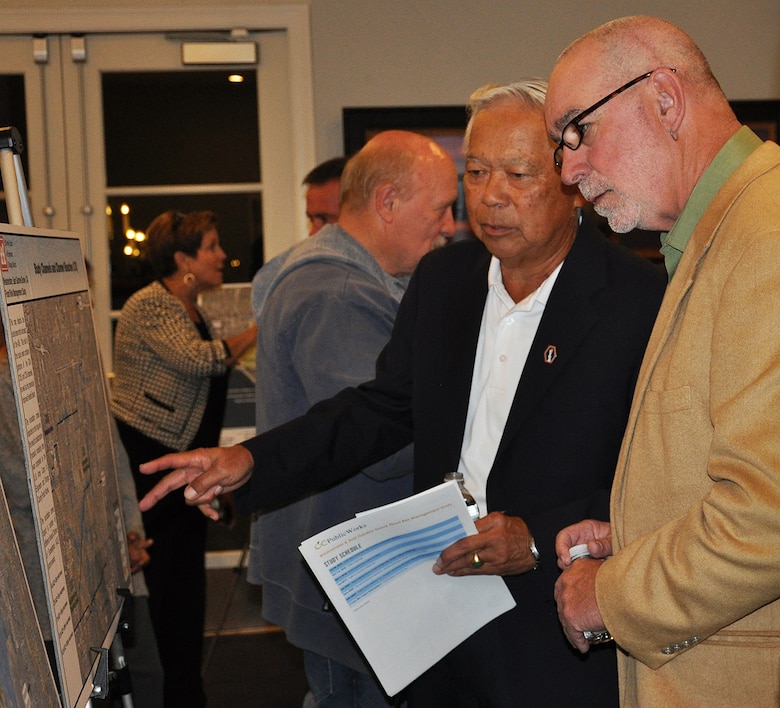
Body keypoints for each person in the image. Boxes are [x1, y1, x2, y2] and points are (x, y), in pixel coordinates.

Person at [137, 80, 666, 706]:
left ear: (572, 182)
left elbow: (662, 475)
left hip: (560, 624)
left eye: (518, 174)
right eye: (475, 171)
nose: (490, 197)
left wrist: (533, 536)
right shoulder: (445, 280)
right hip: (439, 616)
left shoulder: (639, 301)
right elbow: (381, 409)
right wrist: (250, 461)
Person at [544, 15, 780, 706]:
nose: (568, 170)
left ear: (666, 101)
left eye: (576, 132)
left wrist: (610, 595)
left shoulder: (764, 239)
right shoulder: (718, 236)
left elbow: (766, 516)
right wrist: (640, 530)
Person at [249, 130, 457, 707]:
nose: (449, 227)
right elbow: (381, 445)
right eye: (440, 209)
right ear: (387, 202)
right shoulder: (335, 291)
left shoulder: (352, 276)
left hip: (356, 567)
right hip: (352, 577)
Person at [111, 209, 257, 707]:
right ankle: (171, 693)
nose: (222, 255)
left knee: (185, 591)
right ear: (183, 260)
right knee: (169, 589)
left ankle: (185, 691)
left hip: (179, 463)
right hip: (152, 461)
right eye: (212, 246)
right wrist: (261, 327)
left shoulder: (191, 305)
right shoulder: (154, 305)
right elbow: (202, 359)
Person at [0, 319, 163, 706]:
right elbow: (24, 490)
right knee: (77, 690)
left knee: (144, 677)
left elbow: (112, 455)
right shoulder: (10, 384)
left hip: (112, 567)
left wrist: (130, 533)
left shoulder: (78, 367)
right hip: (51, 582)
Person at [251, 156, 347, 322]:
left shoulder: (396, 271)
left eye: (324, 219)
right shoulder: (279, 274)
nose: (313, 232)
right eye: (311, 219)